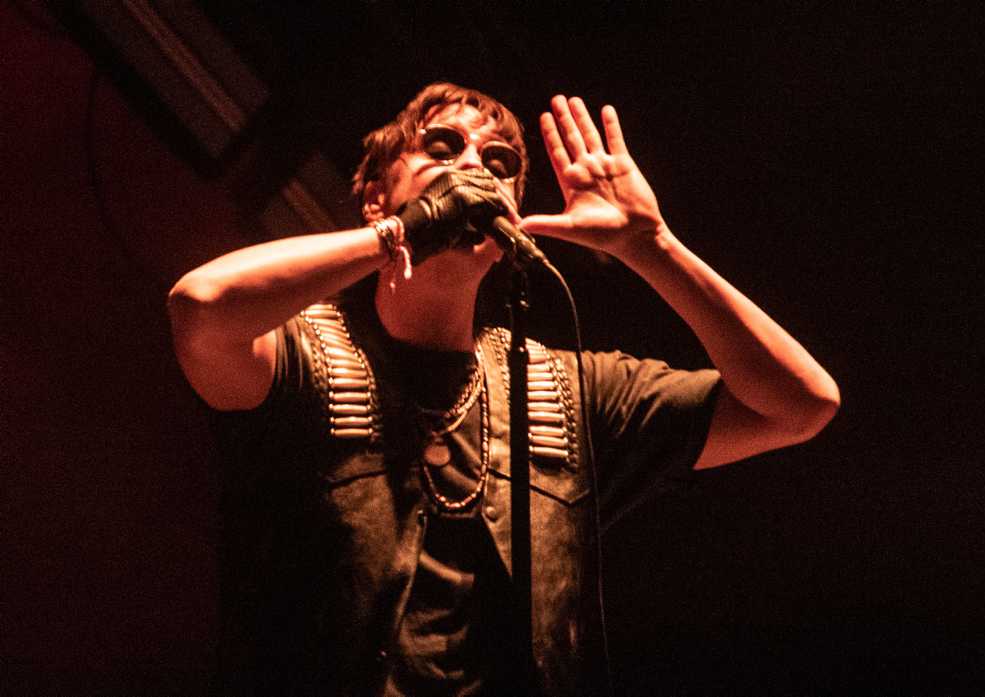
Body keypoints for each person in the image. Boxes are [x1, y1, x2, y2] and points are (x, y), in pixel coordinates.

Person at [168, 83, 839, 696]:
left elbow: (800, 404)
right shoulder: (298, 350)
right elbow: (200, 307)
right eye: (442, 147)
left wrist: (652, 245)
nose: (472, 167)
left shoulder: (567, 393)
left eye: (499, 162)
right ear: (375, 193)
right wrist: (401, 233)